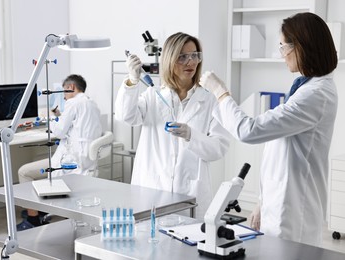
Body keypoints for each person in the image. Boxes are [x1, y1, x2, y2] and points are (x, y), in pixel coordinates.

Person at [200, 12, 338, 246]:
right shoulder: (305, 87)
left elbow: (249, 131)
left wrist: (220, 92)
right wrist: (262, 202)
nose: (281, 54)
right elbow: (279, 148)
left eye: (283, 47)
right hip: (279, 204)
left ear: (301, 47)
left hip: (295, 214)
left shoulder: (316, 95)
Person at [115, 32, 230, 219]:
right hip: (152, 190)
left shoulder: (210, 100)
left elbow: (219, 148)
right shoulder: (153, 96)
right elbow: (125, 116)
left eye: (195, 55)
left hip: (189, 194)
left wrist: (191, 135)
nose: (191, 62)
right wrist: (132, 81)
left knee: (187, 244)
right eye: (183, 57)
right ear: (169, 59)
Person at [17, 74, 103, 231]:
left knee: (24, 172)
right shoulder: (92, 104)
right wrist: (58, 116)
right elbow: (76, 126)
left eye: (64, 93)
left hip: (72, 161)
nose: (63, 98)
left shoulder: (73, 103)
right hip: (86, 161)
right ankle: (39, 209)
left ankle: (32, 219)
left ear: (71, 88)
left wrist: (49, 117)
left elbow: (60, 133)